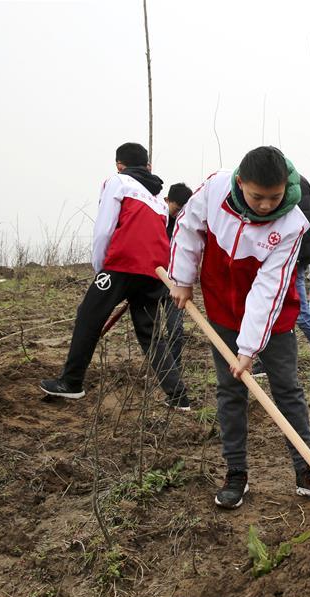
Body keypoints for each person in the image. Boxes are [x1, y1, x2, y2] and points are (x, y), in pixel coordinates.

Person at [168, 146, 310, 508]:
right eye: (257, 196)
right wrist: (181, 277)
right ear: (240, 182)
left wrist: (248, 350)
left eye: (274, 197)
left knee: (287, 388)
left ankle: (306, 469)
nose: (265, 205)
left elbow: (267, 289)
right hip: (222, 311)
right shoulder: (214, 190)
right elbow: (189, 227)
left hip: (273, 317)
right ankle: (236, 473)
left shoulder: (292, 224)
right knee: (230, 390)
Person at [40, 143, 190, 411]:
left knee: (89, 316)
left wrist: (101, 268)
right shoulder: (157, 197)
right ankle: (179, 397)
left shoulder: (118, 181)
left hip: (121, 265)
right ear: (148, 167)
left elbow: (103, 229)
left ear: (120, 165)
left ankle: (71, 383)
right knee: (151, 335)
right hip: (155, 272)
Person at [253, 176, 310, 381]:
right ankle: (267, 361)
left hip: (292, 257)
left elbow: (288, 226)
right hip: (289, 255)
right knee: (272, 307)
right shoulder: (295, 182)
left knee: (300, 312)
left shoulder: (291, 186)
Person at [163, 182, 194, 371]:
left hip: (175, 284)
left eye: (183, 209)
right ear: (167, 200)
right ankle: (157, 367)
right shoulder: (156, 220)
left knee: (175, 328)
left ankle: (173, 370)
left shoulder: (187, 226)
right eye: (176, 208)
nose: (178, 213)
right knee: (149, 330)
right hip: (151, 282)